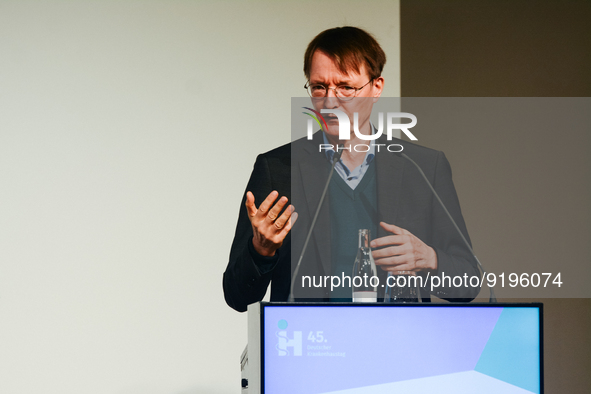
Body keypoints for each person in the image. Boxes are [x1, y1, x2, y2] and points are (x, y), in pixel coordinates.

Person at [223, 26, 479, 312]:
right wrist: (261, 251)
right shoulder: (279, 168)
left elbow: (468, 283)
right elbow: (236, 296)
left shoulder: (422, 167)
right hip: (312, 347)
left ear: (376, 87)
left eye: (345, 87)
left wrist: (429, 258)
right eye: (319, 86)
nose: (330, 101)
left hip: (399, 343)